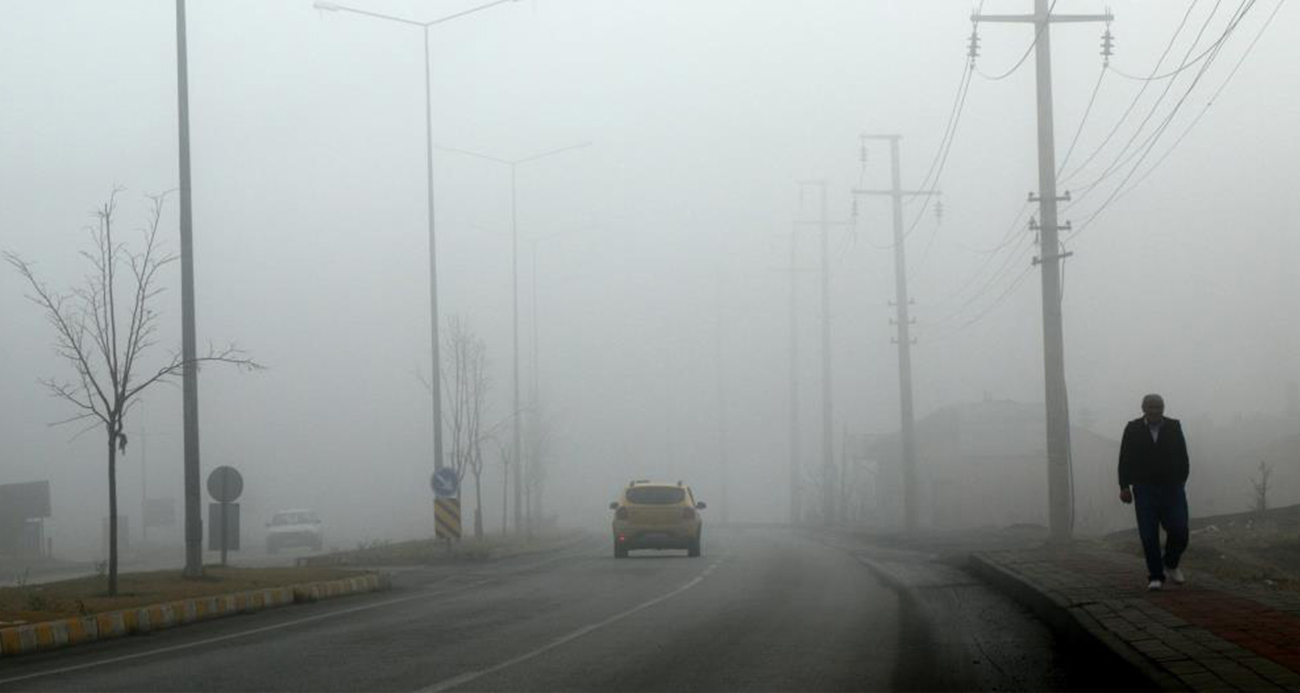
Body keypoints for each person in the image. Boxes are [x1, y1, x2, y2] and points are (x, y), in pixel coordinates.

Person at [1118, 393, 1190, 591]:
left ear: (1163, 408)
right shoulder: (1132, 429)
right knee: (1149, 534)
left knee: (1180, 530)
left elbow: (1183, 456)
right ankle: (1156, 576)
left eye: (1158, 407)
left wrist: (1181, 480)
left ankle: (1171, 562)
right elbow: (1124, 458)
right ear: (1144, 409)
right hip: (1144, 488)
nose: (1155, 411)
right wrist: (1124, 486)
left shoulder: (1174, 427)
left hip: (1172, 487)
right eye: (1151, 407)